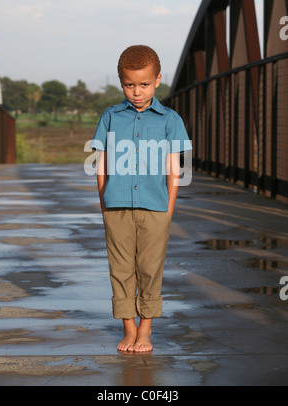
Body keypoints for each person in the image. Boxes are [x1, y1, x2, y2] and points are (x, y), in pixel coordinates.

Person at [90, 45, 191, 352]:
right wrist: (104, 205)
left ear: (158, 80)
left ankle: (146, 329)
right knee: (120, 269)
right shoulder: (110, 117)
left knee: (150, 268)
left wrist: (169, 210)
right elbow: (101, 165)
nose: (137, 91)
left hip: (156, 208)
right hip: (116, 206)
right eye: (129, 84)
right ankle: (128, 327)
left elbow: (175, 170)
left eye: (144, 84)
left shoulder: (170, 120)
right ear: (121, 82)